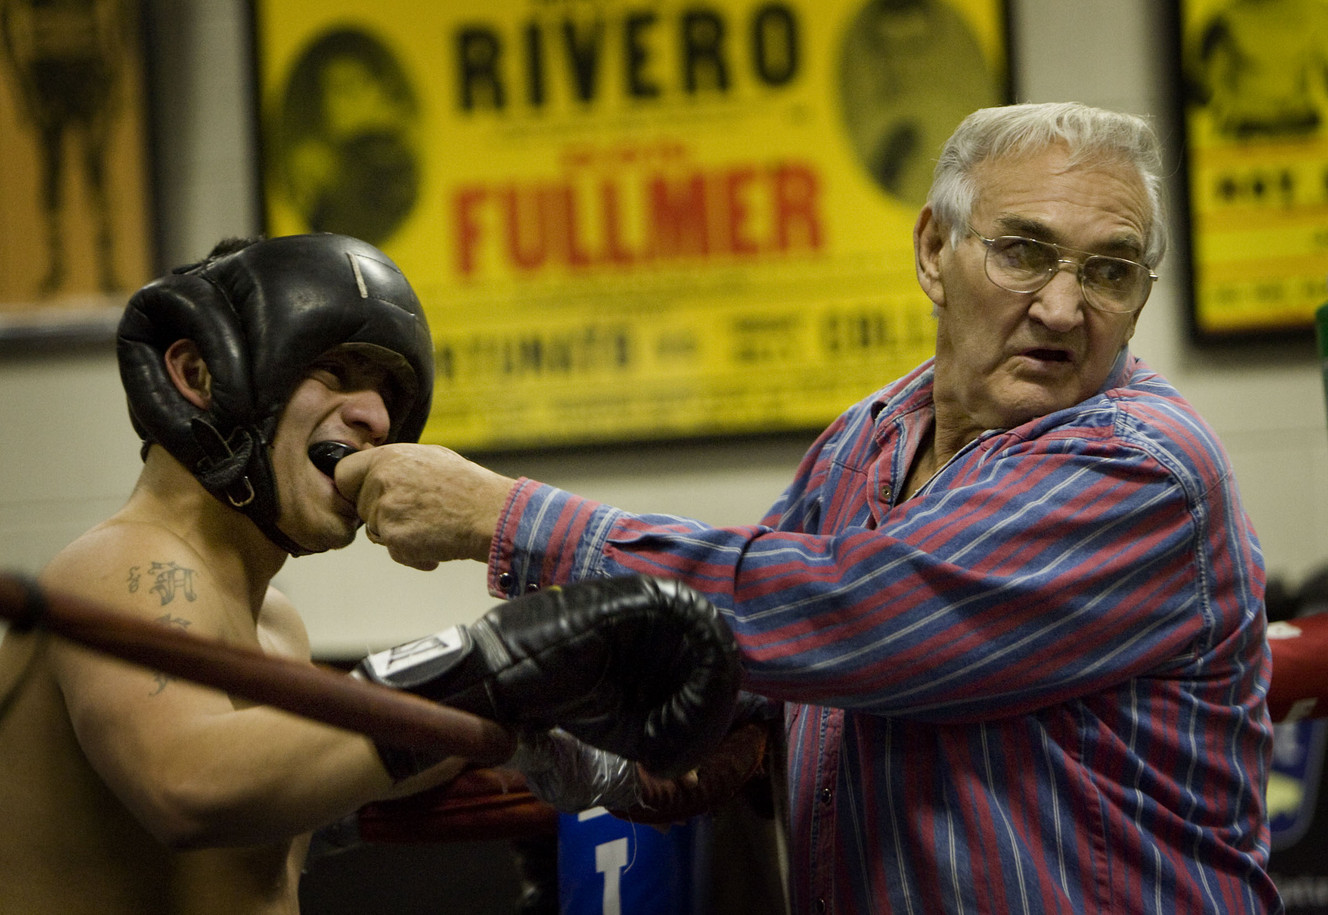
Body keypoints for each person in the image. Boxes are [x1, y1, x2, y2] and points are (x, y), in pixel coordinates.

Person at [334, 103, 1284, 913]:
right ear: (933, 250)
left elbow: (852, 612)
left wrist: (504, 517)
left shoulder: (1139, 468)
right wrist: (586, 743)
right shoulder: (867, 438)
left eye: (1110, 272)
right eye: (1025, 253)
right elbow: (742, 652)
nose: (1064, 307)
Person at [0, 232, 737, 914]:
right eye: (336, 371)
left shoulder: (272, 622)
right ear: (200, 375)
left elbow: (314, 774)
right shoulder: (121, 566)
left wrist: (544, 723)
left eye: (389, 393)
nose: (377, 418)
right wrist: (498, 666)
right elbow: (191, 785)